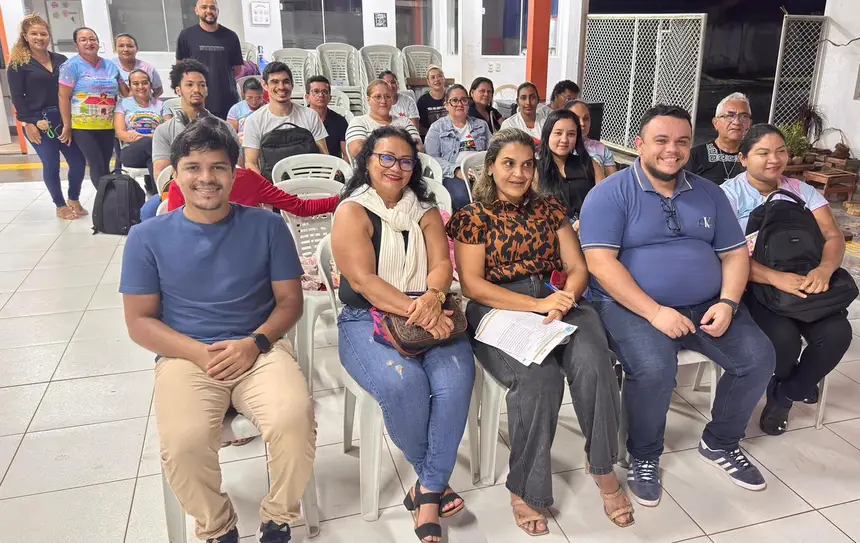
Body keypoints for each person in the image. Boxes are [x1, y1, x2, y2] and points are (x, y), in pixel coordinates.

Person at [121, 117, 314, 543]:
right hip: (186, 355)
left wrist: (254, 343)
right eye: (193, 167)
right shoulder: (146, 237)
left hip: (259, 349)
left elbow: (290, 302)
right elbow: (139, 322)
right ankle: (217, 526)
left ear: (234, 173)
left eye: (218, 167)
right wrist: (197, 352)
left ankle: (278, 517)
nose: (206, 178)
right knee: (184, 443)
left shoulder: (267, 226)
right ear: (175, 173)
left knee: (294, 417)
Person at [579, 105, 775, 507]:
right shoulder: (610, 193)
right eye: (662, 140)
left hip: (706, 303)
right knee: (654, 369)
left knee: (758, 358)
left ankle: (720, 442)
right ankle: (644, 454)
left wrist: (728, 302)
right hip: (630, 306)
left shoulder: (709, 193)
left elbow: (735, 254)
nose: (673, 149)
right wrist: (654, 312)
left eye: (682, 141)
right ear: (640, 144)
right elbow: (600, 262)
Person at [447, 128, 632, 537]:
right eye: (508, 164)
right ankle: (526, 489)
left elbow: (577, 267)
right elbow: (473, 285)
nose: (519, 173)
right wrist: (534, 306)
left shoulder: (549, 208)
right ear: (490, 168)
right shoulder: (474, 217)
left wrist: (565, 298)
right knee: (538, 379)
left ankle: (603, 467)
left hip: (555, 296)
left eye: (527, 165)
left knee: (595, 363)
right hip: (498, 307)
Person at [332, 126, 475, 543]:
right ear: (368, 161)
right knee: (405, 385)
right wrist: (422, 312)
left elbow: (442, 266)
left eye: (406, 160)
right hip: (366, 318)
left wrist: (433, 297)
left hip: (429, 307)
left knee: (455, 382)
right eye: (386, 158)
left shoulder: (425, 209)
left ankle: (426, 489)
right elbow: (364, 281)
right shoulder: (353, 211)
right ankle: (435, 485)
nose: (396, 167)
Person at [722, 124, 852, 436]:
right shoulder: (728, 196)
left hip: (806, 279)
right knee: (783, 341)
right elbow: (723, 254)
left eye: (780, 151)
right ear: (743, 158)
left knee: (837, 334)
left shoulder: (802, 191)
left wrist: (824, 270)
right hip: (754, 285)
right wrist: (774, 278)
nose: (774, 159)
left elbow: (833, 236)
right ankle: (793, 381)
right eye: (763, 153)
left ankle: (785, 394)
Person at [8, 13, 87, 220]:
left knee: (78, 161)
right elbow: (17, 96)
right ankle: (60, 205)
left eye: (43, 34)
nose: (39, 38)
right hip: (38, 121)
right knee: (51, 163)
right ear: (25, 36)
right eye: (34, 34)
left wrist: (70, 121)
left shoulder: (61, 60)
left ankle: (73, 198)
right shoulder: (18, 64)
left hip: (63, 118)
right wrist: (28, 123)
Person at [144, 59, 236, 221]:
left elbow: (235, 168)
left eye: (202, 85)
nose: (196, 90)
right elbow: (162, 176)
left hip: (218, 189)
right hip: (180, 191)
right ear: (178, 90)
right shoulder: (164, 130)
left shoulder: (224, 128)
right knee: (148, 211)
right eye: (189, 85)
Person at [58, 27, 128, 193]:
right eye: (83, 40)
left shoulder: (110, 65)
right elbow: (63, 96)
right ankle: (107, 199)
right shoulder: (70, 66)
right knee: (96, 164)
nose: (89, 43)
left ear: (98, 42)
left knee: (105, 163)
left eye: (92, 39)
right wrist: (67, 124)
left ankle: (109, 199)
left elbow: (125, 92)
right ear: (76, 44)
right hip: (83, 126)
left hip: (108, 124)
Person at [244, 62, 329, 175]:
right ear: (264, 85)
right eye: (275, 82)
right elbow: (251, 163)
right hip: (271, 184)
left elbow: (324, 155)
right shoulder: (254, 121)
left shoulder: (310, 115)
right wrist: (266, 186)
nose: (281, 87)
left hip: (309, 181)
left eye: (286, 81)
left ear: (292, 85)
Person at [167, 166, 339, 215]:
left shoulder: (248, 179)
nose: (207, 177)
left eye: (218, 165)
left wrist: (346, 199)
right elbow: (173, 235)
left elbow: (300, 207)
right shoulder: (181, 184)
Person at [424, 84, 490, 210]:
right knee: (462, 197)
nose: (460, 104)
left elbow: (492, 150)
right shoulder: (437, 128)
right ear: (446, 105)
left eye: (463, 100)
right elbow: (432, 158)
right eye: (454, 100)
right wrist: (456, 171)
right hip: (453, 174)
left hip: (481, 171)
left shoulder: (481, 125)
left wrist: (486, 168)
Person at [176, 0, 243, 120]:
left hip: (226, 101)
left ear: (217, 11)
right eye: (204, 7)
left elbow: (238, 69)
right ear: (196, 11)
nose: (209, 11)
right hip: (197, 100)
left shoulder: (231, 36)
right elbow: (181, 68)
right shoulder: (186, 35)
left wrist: (220, 78)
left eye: (212, 8)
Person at [537, 109, 599, 224]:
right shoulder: (535, 169)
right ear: (547, 134)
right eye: (558, 133)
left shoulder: (590, 165)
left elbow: (604, 200)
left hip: (587, 227)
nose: (564, 140)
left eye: (571, 134)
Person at [115, 69, 170, 190]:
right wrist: (153, 137)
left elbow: (169, 132)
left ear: (150, 84)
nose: (140, 87)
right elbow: (120, 133)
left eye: (144, 83)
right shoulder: (122, 104)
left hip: (155, 152)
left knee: (153, 160)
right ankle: (165, 195)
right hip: (131, 152)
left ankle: (158, 195)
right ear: (130, 86)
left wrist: (143, 137)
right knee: (151, 145)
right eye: (136, 84)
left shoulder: (161, 105)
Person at [685, 93, 753, 185]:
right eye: (730, 116)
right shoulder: (695, 156)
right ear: (715, 123)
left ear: (750, 123)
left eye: (744, 117)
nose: (737, 122)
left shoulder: (754, 157)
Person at [346, 80, 422, 160]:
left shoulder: (405, 122)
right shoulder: (359, 122)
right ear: (368, 100)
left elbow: (418, 148)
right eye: (378, 97)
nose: (383, 101)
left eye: (387, 96)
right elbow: (357, 151)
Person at [566, 100, 617, 179]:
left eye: (586, 118)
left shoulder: (601, 148)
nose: (582, 123)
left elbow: (613, 180)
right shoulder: (561, 147)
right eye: (576, 119)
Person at [305, 75, 349, 160]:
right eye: (316, 91)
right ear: (307, 97)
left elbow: (346, 155)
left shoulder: (340, 121)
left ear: (330, 98)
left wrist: (340, 167)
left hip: (333, 166)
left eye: (325, 91)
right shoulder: (300, 119)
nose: (321, 95)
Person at [112, 33, 164, 98]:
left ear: (137, 49)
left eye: (130, 46)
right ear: (115, 49)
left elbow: (159, 90)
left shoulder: (148, 68)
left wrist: (148, 101)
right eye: (121, 46)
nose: (126, 49)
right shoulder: (109, 67)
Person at [227, 77, 265, 143]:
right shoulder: (236, 109)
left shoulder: (267, 108)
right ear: (243, 94)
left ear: (263, 94)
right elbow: (231, 134)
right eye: (250, 97)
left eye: (258, 98)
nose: (254, 102)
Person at [416, 65, 447, 137]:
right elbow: (420, 127)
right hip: (430, 137)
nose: (437, 79)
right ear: (428, 82)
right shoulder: (423, 101)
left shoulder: (451, 97)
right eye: (433, 77)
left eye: (439, 76)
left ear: (444, 79)